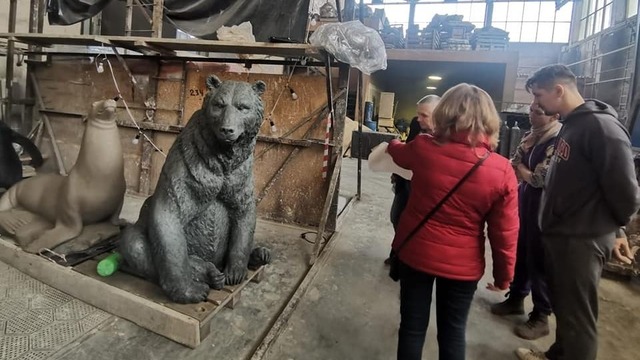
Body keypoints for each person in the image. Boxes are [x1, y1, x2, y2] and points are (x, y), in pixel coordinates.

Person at [516, 64, 640, 360]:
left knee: (578, 320)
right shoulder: (573, 124)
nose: (536, 103)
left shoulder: (602, 129)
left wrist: (617, 228)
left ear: (559, 91)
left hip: (581, 239)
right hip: (564, 235)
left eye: (539, 95)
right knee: (566, 309)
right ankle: (558, 354)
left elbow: (625, 193)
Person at [387, 83, 519, 360]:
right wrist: (504, 277)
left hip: (416, 254)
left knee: (412, 328)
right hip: (463, 266)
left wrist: (393, 142)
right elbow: (505, 233)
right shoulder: (502, 170)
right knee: (453, 331)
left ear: (444, 113)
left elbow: (397, 152)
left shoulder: (423, 148)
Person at [490, 103, 561, 340]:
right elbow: (513, 163)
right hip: (525, 200)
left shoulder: (556, 141)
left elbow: (540, 179)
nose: (531, 114)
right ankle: (516, 298)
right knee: (521, 251)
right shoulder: (533, 136)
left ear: (554, 115)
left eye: (537, 112)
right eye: (531, 110)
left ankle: (541, 316)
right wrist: (522, 169)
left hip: (544, 207)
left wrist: (522, 169)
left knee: (538, 259)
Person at [385, 95, 440, 265]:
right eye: (418, 114)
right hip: (406, 180)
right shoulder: (416, 124)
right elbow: (408, 147)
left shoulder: (449, 135)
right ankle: (397, 252)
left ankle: (409, 257)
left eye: (424, 115)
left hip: (429, 188)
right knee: (397, 216)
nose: (419, 119)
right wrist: (396, 170)